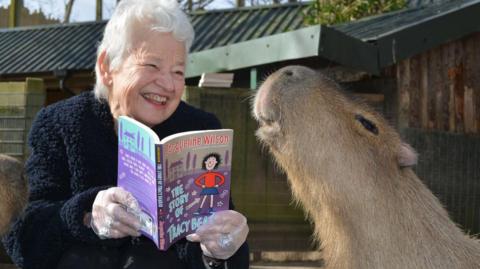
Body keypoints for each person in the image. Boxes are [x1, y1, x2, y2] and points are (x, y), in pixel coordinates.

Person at [2, 0, 249, 268]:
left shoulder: (200, 129)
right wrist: (87, 216)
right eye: (152, 66)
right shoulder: (60, 123)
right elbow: (24, 236)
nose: (167, 84)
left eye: (178, 71)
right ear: (108, 67)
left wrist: (221, 249)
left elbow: (226, 253)